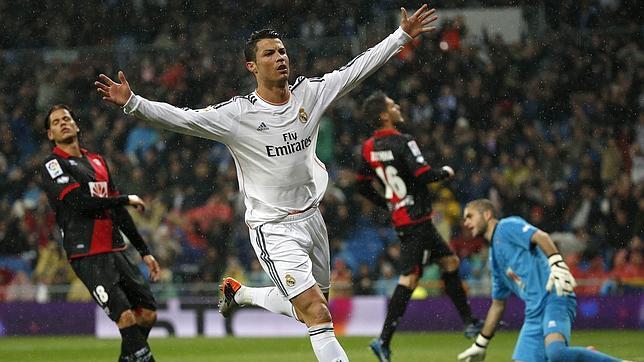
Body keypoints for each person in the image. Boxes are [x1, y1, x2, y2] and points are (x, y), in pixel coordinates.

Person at [95, 5, 438, 361]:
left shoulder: (310, 94)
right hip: (272, 227)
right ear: (252, 67)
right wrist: (133, 103)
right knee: (317, 313)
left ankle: (240, 293)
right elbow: (184, 119)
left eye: (283, 51)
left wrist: (402, 35)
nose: (280, 57)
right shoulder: (238, 115)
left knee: (310, 310)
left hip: (312, 219)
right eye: (269, 53)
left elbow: (357, 69)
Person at [354, 91, 482, 362]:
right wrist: (446, 172)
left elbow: (359, 183)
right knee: (410, 279)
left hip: (407, 218)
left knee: (450, 263)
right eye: (392, 104)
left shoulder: (368, 147)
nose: (397, 105)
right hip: (416, 220)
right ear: (384, 115)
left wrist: (387, 202)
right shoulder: (404, 142)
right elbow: (424, 175)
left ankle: (470, 322)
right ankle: (383, 340)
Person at [40, 104, 160, 362]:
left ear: (76, 125)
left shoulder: (97, 161)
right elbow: (79, 203)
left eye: (67, 118)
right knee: (125, 316)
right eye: (56, 122)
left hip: (116, 248)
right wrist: (125, 198)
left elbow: (118, 212)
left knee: (148, 313)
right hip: (87, 253)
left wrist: (145, 252)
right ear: (50, 134)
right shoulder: (53, 164)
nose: (63, 123)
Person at [458, 199, 628, 362]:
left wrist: (557, 264)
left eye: (470, 216)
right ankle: (584, 358)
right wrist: (481, 343)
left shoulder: (506, 226)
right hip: (533, 314)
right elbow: (498, 304)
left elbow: (541, 237)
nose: (465, 222)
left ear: (487, 214)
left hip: (554, 297)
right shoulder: (494, 258)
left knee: (556, 353)